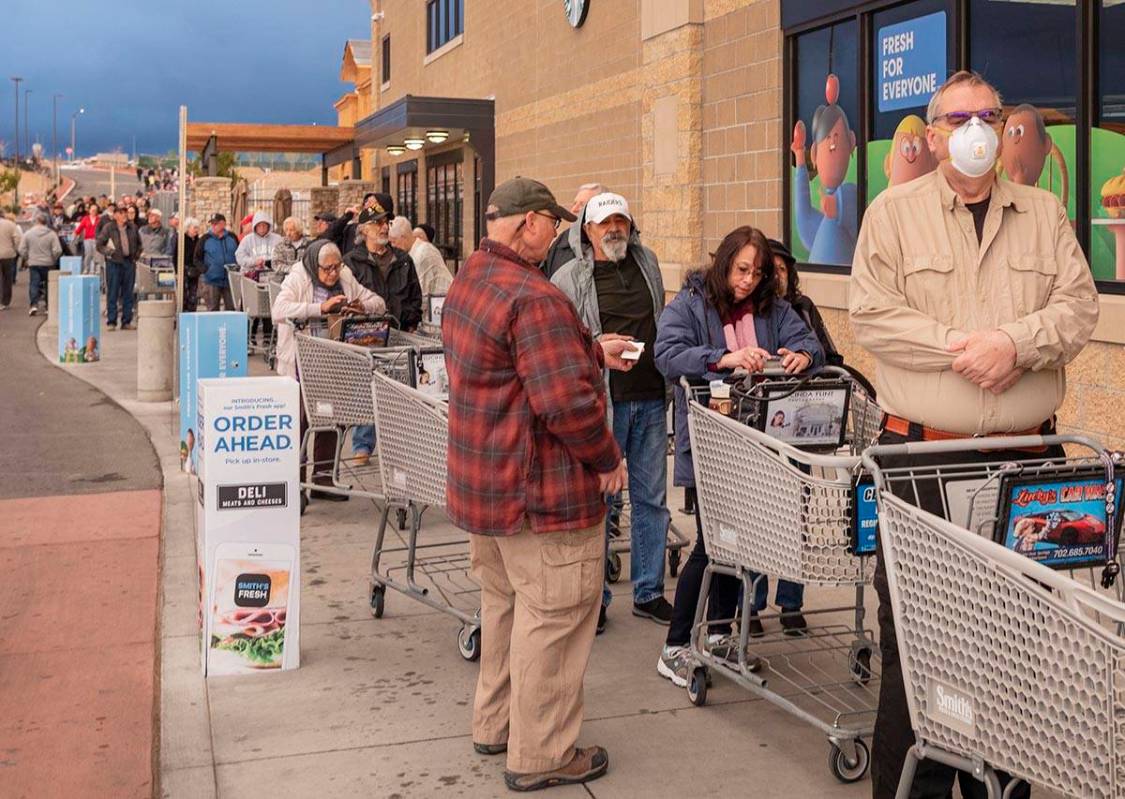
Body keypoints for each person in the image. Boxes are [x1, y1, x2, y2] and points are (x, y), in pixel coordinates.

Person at [849, 71, 1099, 799]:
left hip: (1027, 462)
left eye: (987, 114)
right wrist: (967, 346)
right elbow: (872, 314)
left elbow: (1077, 306)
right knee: (921, 643)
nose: (974, 128)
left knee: (1015, 644)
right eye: (956, 117)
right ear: (931, 135)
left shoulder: (1044, 211)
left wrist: (1015, 344)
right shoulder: (892, 214)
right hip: (923, 457)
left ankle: (1002, 783)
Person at [444, 177, 641, 793]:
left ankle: (496, 724)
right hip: (540, 494)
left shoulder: (471, 278)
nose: (556, 233)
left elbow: (524, 364)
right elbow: (566, 406)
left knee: (505, 608)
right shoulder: (535, 296)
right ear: (527, 222)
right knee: (555, 617)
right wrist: (607, 458)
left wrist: (588, 348)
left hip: (488, 489)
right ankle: (544, 753)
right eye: (551, 223)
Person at [653, 226, 823, 687]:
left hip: (760, 445)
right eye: (742, 269)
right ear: (724, 262)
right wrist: (722, 359)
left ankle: (722, 635)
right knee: (713, 546)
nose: (748, 280)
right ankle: (676, 645)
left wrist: (802, 357)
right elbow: (666, 355)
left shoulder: (774, 309)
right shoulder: (689, 304)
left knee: (739, 544)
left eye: (758, 272)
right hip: (712, 444)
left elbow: (812, 344)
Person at [552, 191, 673, 632]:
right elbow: (561, 343)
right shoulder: (567, 279)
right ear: (587, 229)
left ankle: (649, 591)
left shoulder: (649, 263)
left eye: (620, 220)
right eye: (605, 223)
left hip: (650, 398)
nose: (614, 229)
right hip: (602, 403)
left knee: (652, 500)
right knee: (600, 501)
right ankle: (595, 599)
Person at [271, 240, 386, 502]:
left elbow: (378, 303)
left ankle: (323, 479)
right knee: (300, 423)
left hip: (332, 362)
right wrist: (320, 308)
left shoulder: (345, 276)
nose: (333, 273)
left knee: (330, 418)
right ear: (315, 265)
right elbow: (279, 310)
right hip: (300, 363)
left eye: (337, 267)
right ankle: (296, 484)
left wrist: (361, 306)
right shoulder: (298, 277)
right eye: (327, 269)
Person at [343, 197, 419, 466]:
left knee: (397, 397)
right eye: (376, 223)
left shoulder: (404, 260)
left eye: (386, 222)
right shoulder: (351, 262)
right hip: (366, 340)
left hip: (398, 337)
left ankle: (395, 449)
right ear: (363, 230)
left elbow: (414, 298)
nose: (383, 228)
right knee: (367, 390)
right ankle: (362, 446)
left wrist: (409, 322)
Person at [768, 238, 842, 366]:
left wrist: (806, 357)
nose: (777, 276)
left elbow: (830, 356)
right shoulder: (753, 312)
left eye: (782, 269)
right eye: (772, 270)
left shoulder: (803, 306)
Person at [541, 182, 606, 279]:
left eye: (582, 205)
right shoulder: (560, 243)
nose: (574, 209)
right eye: (574, 203)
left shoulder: (611, 245)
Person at [389, 216, 451, 311]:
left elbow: (420, 295)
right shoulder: (416, 252)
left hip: (441, 309)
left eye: (393, 241)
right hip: (437, 308)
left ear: (403, 238)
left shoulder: (422, 254)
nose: (392, 246)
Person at [95, 206, 142, 330]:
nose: (124, 215)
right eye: (121, 213)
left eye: (125, 213)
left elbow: (139, 244)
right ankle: (112, 321)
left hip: (129, 263)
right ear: (115, 215)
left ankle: (126, 321)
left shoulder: (133, 228)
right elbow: (99, 244)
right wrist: (109, 252)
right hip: (114, 263)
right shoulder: (109, 228)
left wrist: (135, 257)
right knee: (113, 292)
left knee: (128, 293)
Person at [19, 212, 63, 317]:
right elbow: (58, 250)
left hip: (33, 262)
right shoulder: (52, 234)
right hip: (48, 263)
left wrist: (27, 258)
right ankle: (48, 306)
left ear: (36, 221)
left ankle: (34, 304)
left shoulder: (28, 234)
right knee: (48, 284)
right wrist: (53, 258)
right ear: (46, 222)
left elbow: (21, 249)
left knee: (34, 283)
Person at [193, 213, 239, 311]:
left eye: (216, 223)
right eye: (212, 223)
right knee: (212, 309)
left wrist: (237, 268)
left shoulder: (232, 237)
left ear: (223, 223)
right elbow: (196, 258)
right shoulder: (205, 239)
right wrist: (206, 270)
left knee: (232, 308)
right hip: (211, 281)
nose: (214, 226)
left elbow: (239, 254)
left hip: (230, 279)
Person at [175, 218, 202, 312]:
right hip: (184, 270)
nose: (196, 230)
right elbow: (175, 256)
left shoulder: (198, 241)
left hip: (195, 270)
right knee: (184, 295)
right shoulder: (181, 240)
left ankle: (192, 312)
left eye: (197, 228)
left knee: (193, 295)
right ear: (188, 228)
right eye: (194, 227)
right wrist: (176, 272)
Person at [0, 209, 23, 310]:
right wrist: (15, 249)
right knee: (7, 278)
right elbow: (18, 239)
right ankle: (5, 301)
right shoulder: (10, 224)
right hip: (8, 255)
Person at [73, 204, 101, 275]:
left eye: (95, 210)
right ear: (89, 210)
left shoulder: (99, 219)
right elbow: (80, 227)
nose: (94, 211)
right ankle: (86, 269)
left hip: (96, 239)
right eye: (92, 210)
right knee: (88, 254)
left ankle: (96, 270)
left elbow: (102, 229)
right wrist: (76, 233)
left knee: (96, 255)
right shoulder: (85, 218)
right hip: (87, 239)